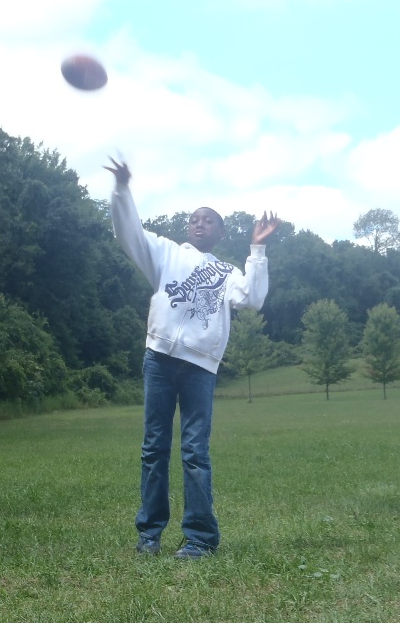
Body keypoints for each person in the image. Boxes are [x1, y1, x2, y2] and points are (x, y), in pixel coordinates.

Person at [105, 157, 280, 560]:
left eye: (207, 220)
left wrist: (257, 248)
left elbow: (252, 299)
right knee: (154, 447)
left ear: (220, 232)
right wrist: (122, 189)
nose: (198, 223)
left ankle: (200, 539)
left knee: (195, 452)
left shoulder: (226, 272)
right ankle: (149, 535)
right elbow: (128, 233)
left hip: (201, 366)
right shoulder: (165, 254)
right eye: (193, 219)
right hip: (160, 359)